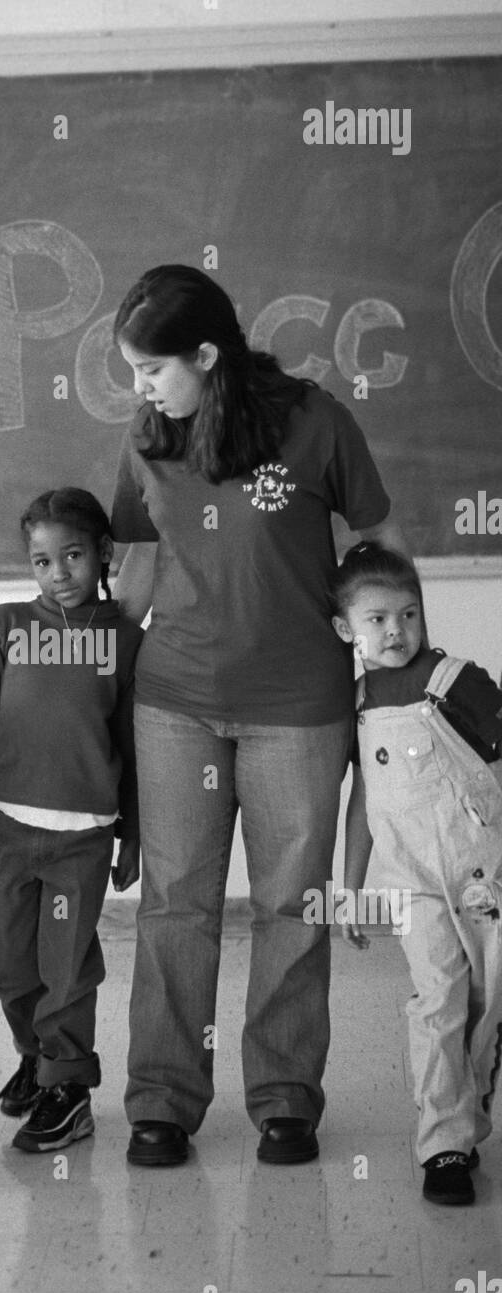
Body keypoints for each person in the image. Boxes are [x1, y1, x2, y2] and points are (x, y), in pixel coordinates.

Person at [110, 264, 408, 1167]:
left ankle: (285, 1099)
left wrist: (391, 654)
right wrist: (72, 669)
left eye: (152, 368)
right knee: (175, 904)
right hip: (176, 704)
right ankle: (162, 1098)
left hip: (298, 707)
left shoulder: (314, 419)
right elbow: (135, 567)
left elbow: (381, 545)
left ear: (206, 354)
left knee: (290, 904)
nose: (140, 387)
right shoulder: (148, 433)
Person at [0, 489, 142, 1151]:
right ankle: (35, 1052)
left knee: (65, 966)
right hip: (4, 828)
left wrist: (132, 833)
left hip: (81, 838)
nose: (57, 572)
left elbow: (131, 741)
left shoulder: (121, 639)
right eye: (41, 560)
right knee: (0, 961)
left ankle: (67, 1088)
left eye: (73, 555)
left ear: (103, 555)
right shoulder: (5, 626)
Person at [331, 541, 502, 1206]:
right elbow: (363, 801)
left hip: (483, 873)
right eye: (376, 619)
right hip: (412, 883)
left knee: (487, 1005)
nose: (395, 630)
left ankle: (477, 1076)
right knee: (437, 1003)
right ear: (347, 629)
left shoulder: (461, 682)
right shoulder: (359, 704)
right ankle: (446, 1146)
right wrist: (349, 891)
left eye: (408, 614)